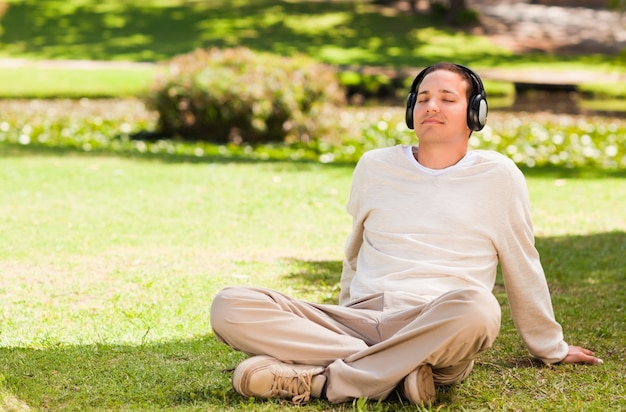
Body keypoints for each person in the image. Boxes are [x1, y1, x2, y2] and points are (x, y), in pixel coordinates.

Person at [209, 62, 603, 406]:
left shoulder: (499, 177)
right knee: (231, 304)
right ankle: (398, 373)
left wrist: (550, 347)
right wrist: (346, 308)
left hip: (438, 321)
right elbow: (355, 251)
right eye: (424, 98)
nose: (432, 106)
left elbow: (523, 263)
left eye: (447, 98)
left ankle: (323, 381)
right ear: (410, 111)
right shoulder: (375, 166)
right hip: (360, 316)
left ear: (475, 113)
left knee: (480, 309)